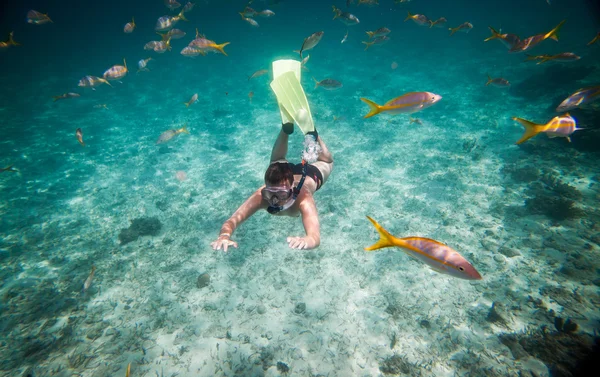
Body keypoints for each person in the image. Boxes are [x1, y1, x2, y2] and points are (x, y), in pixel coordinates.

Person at [210, 122, 333, 251]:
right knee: (276, 162)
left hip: (309, 175)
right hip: (283, 177)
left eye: (282, 194)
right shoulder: (261, 196)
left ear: (292, 189)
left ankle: (313, 134)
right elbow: (232, 220)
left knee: (327, 161)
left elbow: (315, 237)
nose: (274, 200)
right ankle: (286, 129)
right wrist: (224, 235)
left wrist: (308, 240)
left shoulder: (303, 199)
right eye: (270, 193)